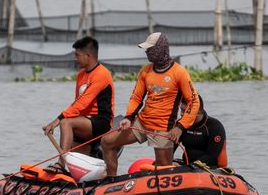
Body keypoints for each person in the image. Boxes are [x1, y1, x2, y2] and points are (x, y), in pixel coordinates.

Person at [102, 31, 200, 177]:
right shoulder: (145, 71)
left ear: (160, 49)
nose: (147, 52)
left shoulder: (179, 72)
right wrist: (128, 118)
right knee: (107, 142)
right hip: (142, 123)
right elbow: (136, 97)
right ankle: (110, 183)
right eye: (146, 49)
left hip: (163, 127)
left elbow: (194, 101)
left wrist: (180, 127)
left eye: (150, 49)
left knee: (163, 169)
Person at [42, 36, 114, 173]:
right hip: (84, 122)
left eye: (77, 55)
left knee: (66, 123)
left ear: (88, 56)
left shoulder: (101, 74)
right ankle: (67, 169)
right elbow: (77, 102)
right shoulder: (81, 75)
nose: (74, 58)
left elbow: (83, 103)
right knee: (74, 165)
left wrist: (57, 120)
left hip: (100, 122)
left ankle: (60, 164)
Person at [177, 97, 227, 168]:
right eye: (181, 110)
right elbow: (171, 148)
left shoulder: (214, 126)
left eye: (185, 111)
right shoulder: (180, 125)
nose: (181, 114)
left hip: (209, 167)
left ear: (197, 112)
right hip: (187, 166)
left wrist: (192, 166)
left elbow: (212, 156)